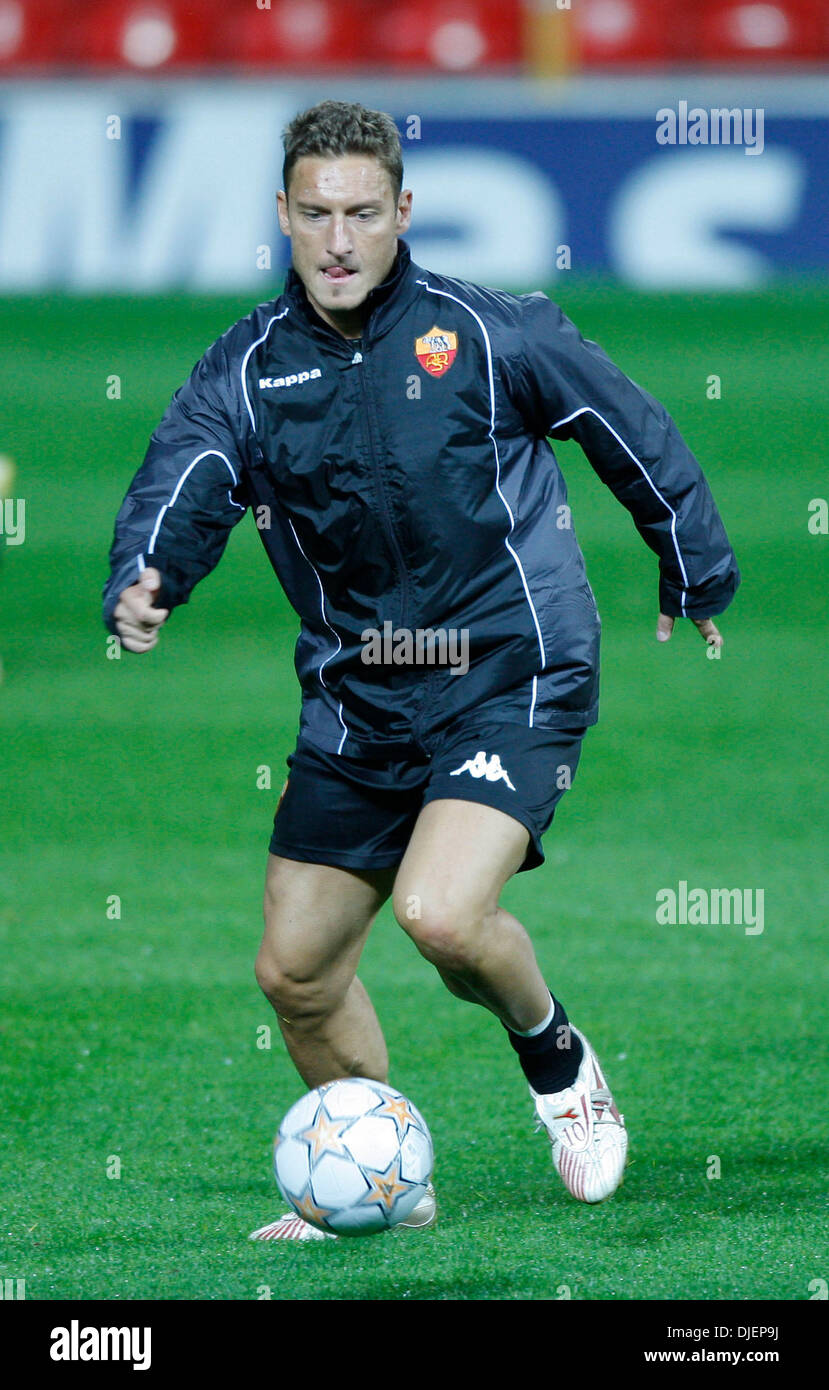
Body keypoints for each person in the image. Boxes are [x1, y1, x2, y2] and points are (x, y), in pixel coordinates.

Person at [103, 101, 740, 1241]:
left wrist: (691, 562)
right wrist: (149, 572)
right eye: (314, 215)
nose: (338, 240)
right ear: (283, 218)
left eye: (361, 213)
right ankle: (386, 1182)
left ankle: (557, 1063)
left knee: (440, 913)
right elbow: (185, 470)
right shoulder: (249, 368)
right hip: (357, 694)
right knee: (294, 974)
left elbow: (621, 421)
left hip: (510, 662)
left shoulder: (487, 332)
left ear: (403, 212)